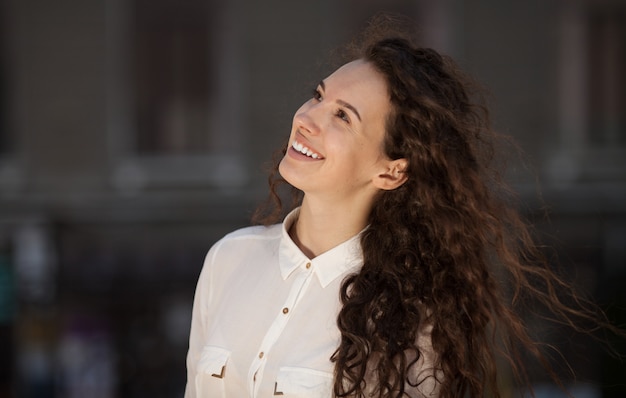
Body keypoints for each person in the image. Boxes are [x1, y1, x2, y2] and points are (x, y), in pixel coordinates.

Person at [185, 17, 619, 398]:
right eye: (318, 96)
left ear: (391, 172)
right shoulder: (229, 259)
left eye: (343, 116)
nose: (307, 117)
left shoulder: (410, 320)